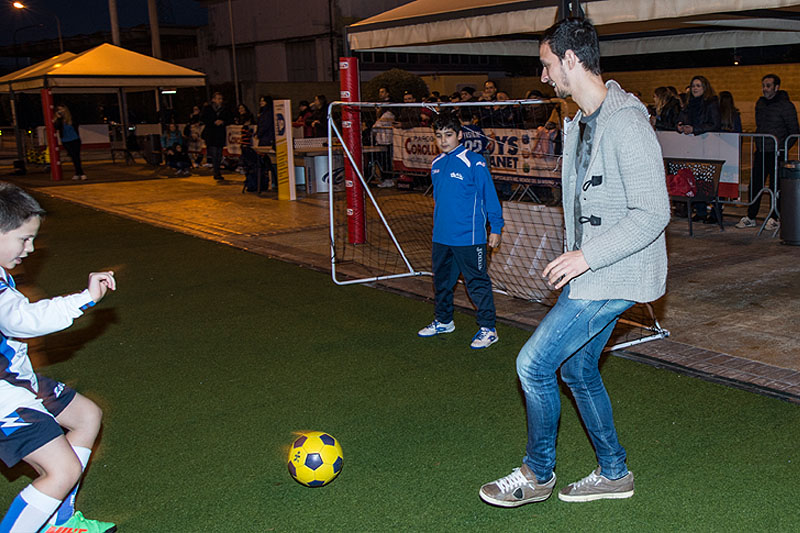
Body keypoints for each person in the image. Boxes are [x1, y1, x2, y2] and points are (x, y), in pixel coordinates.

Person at [479, 17, 669, 507]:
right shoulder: (581, 122)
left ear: (569, 60)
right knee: (579, 370)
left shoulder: (626, 121)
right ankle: (614, 472)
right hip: (594, 271)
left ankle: (536, 474)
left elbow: (654, 212)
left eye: (546, 65)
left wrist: (585, 256)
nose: (543, 77)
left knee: (534, 365)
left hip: (615, 272)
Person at [0, 183, 117, 533]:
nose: (31, 248)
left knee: (86, 416)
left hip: (19, 381)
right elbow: (22, 320)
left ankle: (58, 522)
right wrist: (85, 298)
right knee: (61, 470)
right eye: (24, 238)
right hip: (4, 395)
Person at [416, 111, 504, 350]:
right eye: (438, 135)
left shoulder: (474, 161)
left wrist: (495, 228)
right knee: (442, 282)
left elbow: (489, 197)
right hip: (441, 237)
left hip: (470, 237)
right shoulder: (436, 164)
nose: (443, 140)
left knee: (477, 282)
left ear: (460, 135)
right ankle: (444, 321)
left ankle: (488, 328)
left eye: (448, 134)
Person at [736, 74, 800, 231]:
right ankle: (751, 216)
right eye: (763, 85)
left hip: (778, 153)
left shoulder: (786, 106)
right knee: (755, 184)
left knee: (776, 186)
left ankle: (775, 217)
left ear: (776, 88)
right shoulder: (761, 104)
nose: (765, 89)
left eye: (768, 86)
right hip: (762, 151)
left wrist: (783, 148)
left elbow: (794, 131)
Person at [677, 76, 721, 221]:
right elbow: (681, 118)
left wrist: (695, 129)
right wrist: (680, 125)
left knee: (710, 180)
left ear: (705, 88)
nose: (695, 88)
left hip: (708, 144)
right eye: (693, 86)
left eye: (698, 86)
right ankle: (700, 210)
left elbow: (714, 123)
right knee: (696, 177)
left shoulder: (711, 103)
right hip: (693, 145)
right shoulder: (689, 104)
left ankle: (716, 212)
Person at [201, 92, 234, 181]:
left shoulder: (225, 109)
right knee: (214, 153)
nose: (219, 100)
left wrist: (222, 121)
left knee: (219, 153)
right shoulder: (208, 109)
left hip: (220, 133)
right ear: (213, 99)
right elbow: (204, 119)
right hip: (211, 133)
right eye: (218, 98)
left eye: (221, 99)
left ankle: (217, 169)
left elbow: (230, 119)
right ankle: (216, 171)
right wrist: (213, 122)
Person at [53, 104, 86, 181]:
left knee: (76, 156)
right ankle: (79, 173)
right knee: (72, 156)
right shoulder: (59, 119)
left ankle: (80, 173)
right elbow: (56, 127)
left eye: (62, 109)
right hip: (65, 140)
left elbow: (76, 124)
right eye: (59, 110)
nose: (61, 111)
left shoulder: (71, 118)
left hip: (75, 139)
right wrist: (59, 118)